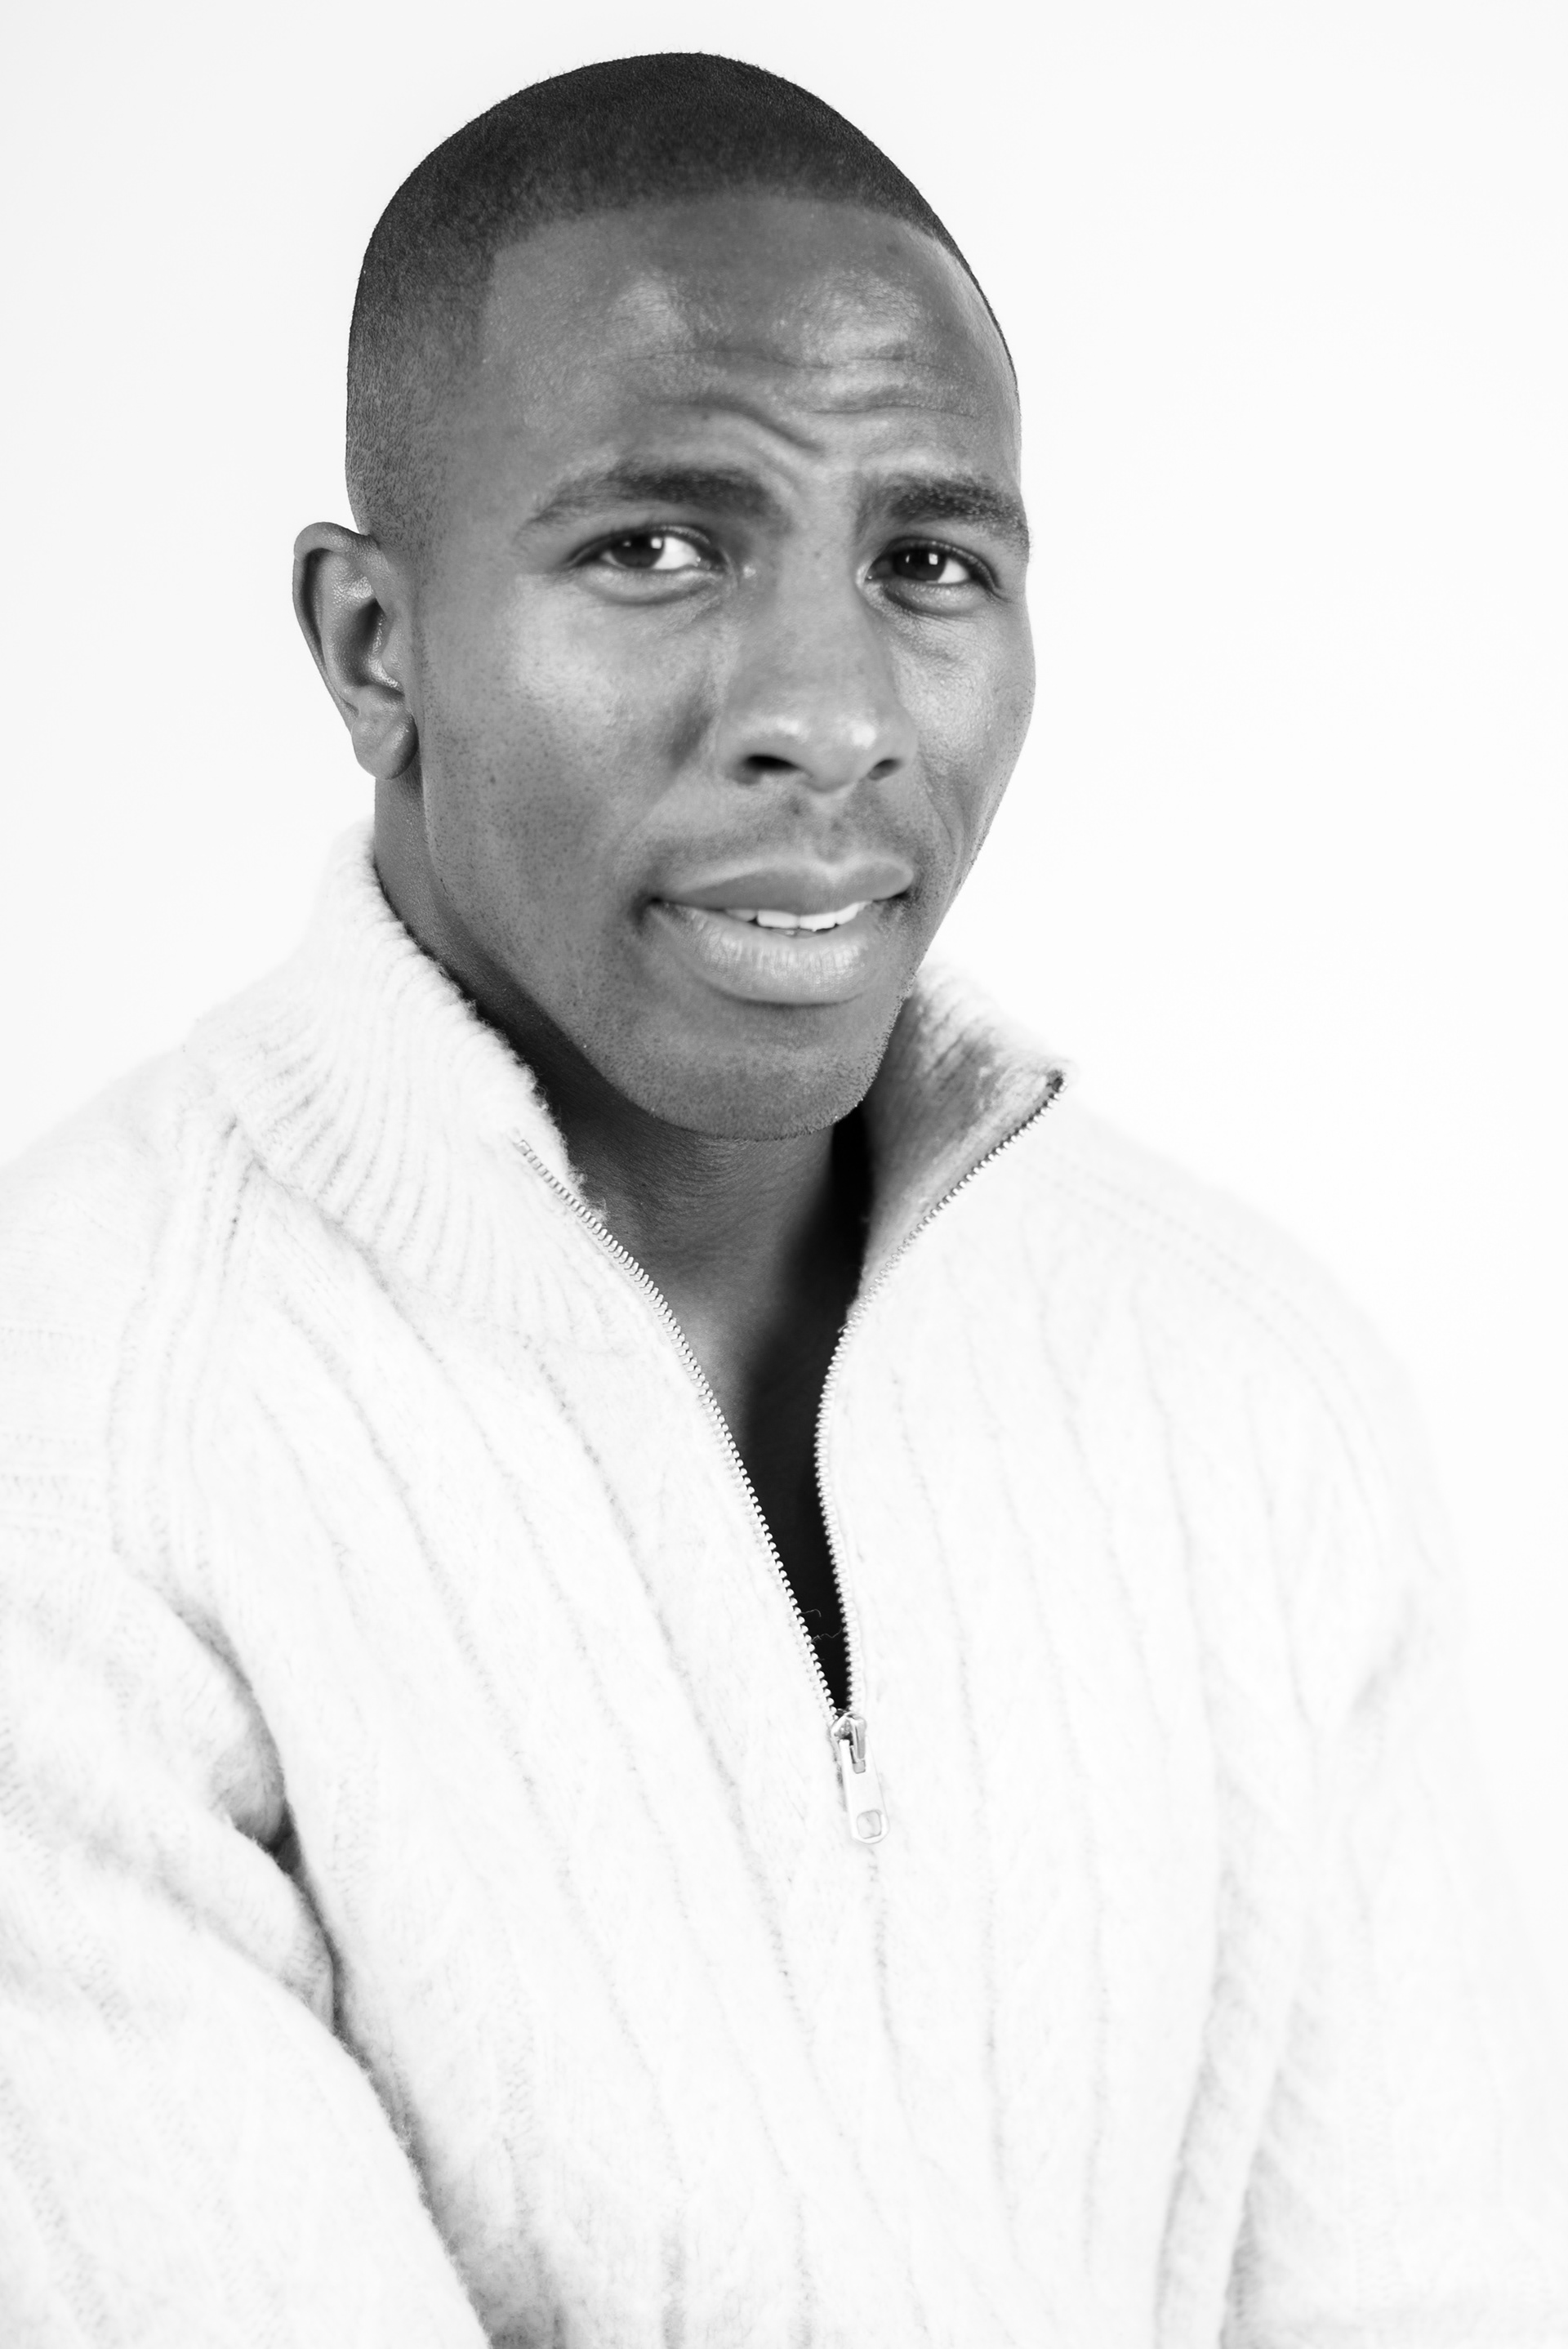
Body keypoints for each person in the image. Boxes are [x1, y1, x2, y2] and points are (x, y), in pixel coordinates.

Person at [1, 47, 1563, 2348]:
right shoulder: (76, 1423)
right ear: (371, 643)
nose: (832, 712)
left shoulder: (1248, 1392)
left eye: (927, 562)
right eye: (656, 546)